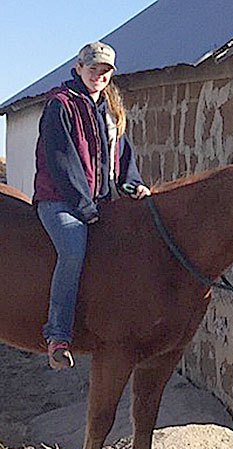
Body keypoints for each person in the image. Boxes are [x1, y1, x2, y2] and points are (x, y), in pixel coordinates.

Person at [33, 41, 151, 370]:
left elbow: (122, 156)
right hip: (59, 200)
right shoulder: (61, 105)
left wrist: (134, 183)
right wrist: (85, 207)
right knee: (72, 251)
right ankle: (58, 335)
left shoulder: (111, 110)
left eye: (105, 70)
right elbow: (62, 162)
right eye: (93, 68)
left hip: (98, 202)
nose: (99, 75)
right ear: (79, 68)